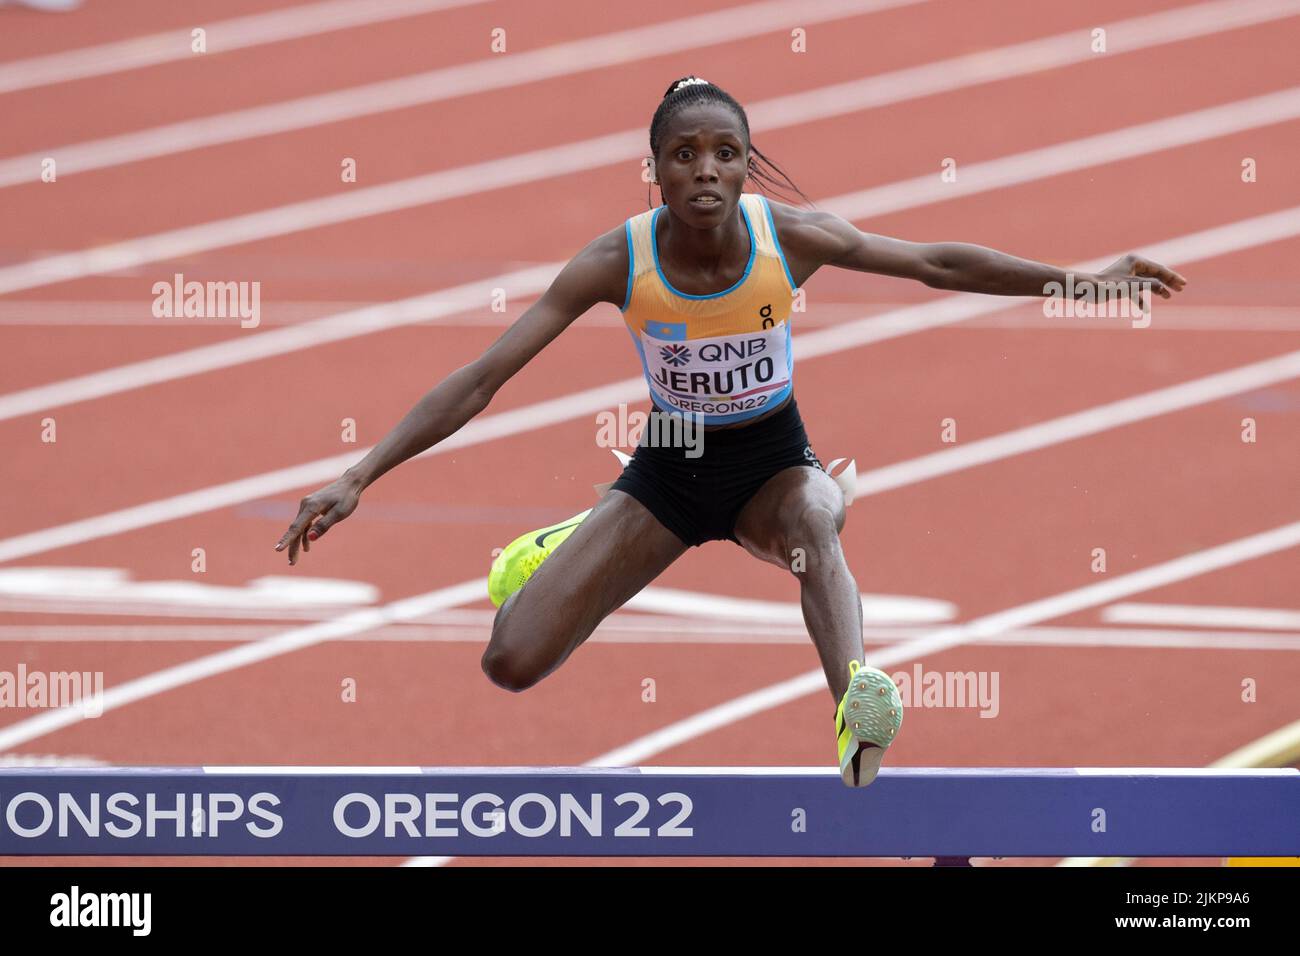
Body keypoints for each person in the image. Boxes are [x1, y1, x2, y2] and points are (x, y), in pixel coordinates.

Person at [276, 75, 1186, 787]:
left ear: (746, 166)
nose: (704, 170)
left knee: (817, 520)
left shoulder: (787, 237)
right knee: (511, 662)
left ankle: (854, 707)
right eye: (683, 155)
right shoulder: (614, 260)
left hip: (771, 462)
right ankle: (561, 542)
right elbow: (480, 381)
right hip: (667, 474)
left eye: (724, 154)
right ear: (656, 169)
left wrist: (1080, 280)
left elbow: (935, 263)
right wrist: (361, 475)